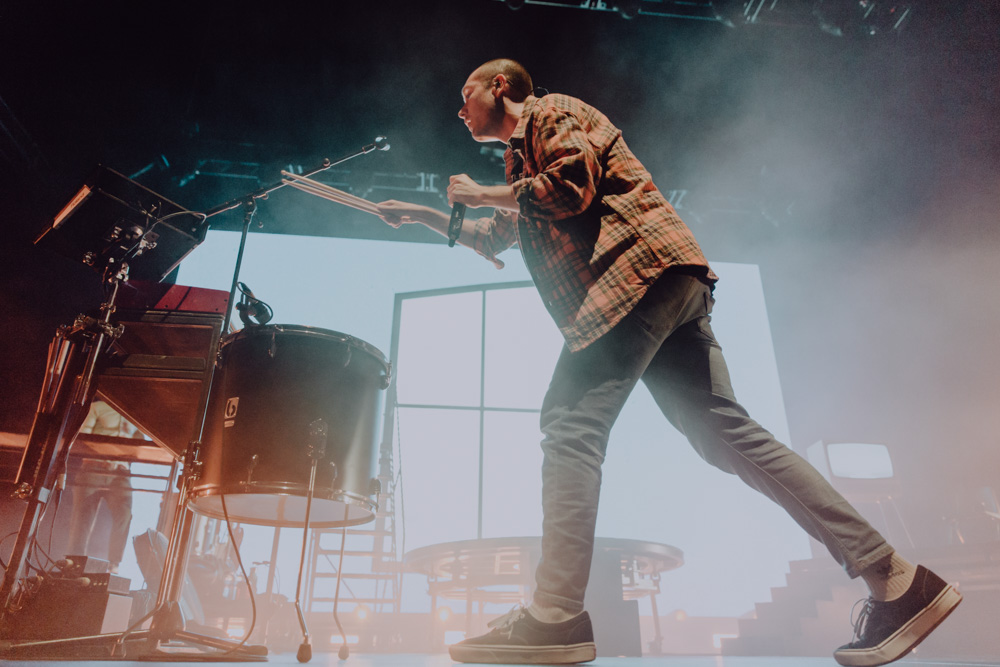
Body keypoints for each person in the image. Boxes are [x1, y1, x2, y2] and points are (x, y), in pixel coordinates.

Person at [376, 59, 961, 666]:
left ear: (501, 86)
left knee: (570, 424)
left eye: (465, 93)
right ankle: (896, 579)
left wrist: (480, 191)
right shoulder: (519, 161)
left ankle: (554, 615)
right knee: (724, 434)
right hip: (665, 284)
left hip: (633, 277)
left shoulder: (553, 112)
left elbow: (570, 187)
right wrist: (418, 214)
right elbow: (498, 235)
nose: (459, 107)